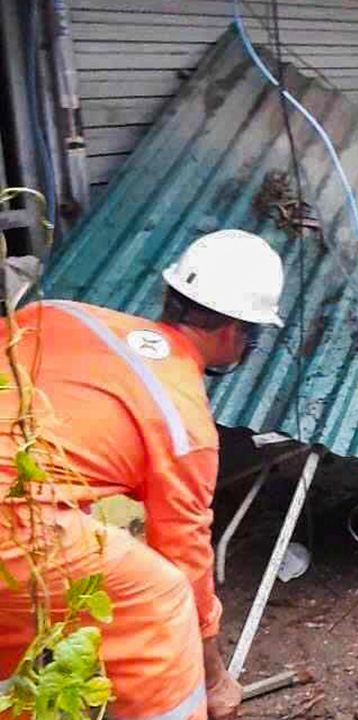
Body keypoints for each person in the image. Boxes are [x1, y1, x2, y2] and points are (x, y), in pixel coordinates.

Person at [0, 230, 286, 720]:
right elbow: (185, 553)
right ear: (234, 334)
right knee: (162, 596)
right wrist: (214, 679)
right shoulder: (183, 420)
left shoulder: (63, 314)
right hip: (13, 520)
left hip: (21, 512)